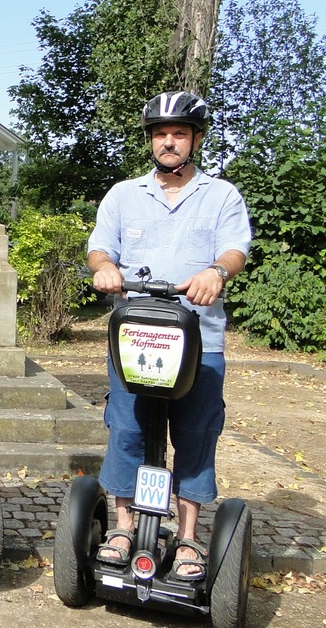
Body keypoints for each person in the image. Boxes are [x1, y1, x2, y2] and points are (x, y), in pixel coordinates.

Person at [87, 91, 251, 581]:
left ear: (195, 139)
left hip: (200, 342)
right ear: (151, 141)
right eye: (162, 134)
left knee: (195, 437)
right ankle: (122, 526)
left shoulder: (221, 195)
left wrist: (216, 273)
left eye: (179, 134)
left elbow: (235, 249)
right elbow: (99, 249)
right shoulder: (123, 194)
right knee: (128, 431)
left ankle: (187, 538)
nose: (170, 142)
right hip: (135, 340)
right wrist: (105, 269)